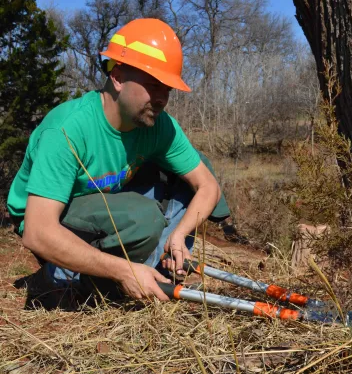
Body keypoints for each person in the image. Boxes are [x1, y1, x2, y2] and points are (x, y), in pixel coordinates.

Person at [6, 18, 231, 302]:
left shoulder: (158, 124)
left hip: (106, 199)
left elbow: (208, 186)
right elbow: (38, 231)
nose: (162, 98)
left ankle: (159, 270)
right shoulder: (67, 128)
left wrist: (179, 234)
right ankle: (70, 275)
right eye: (154, 85)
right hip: (50, 214)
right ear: (119, 77)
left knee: (197, 168)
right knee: (142, 217)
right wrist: (123, 270)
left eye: (168, 89)